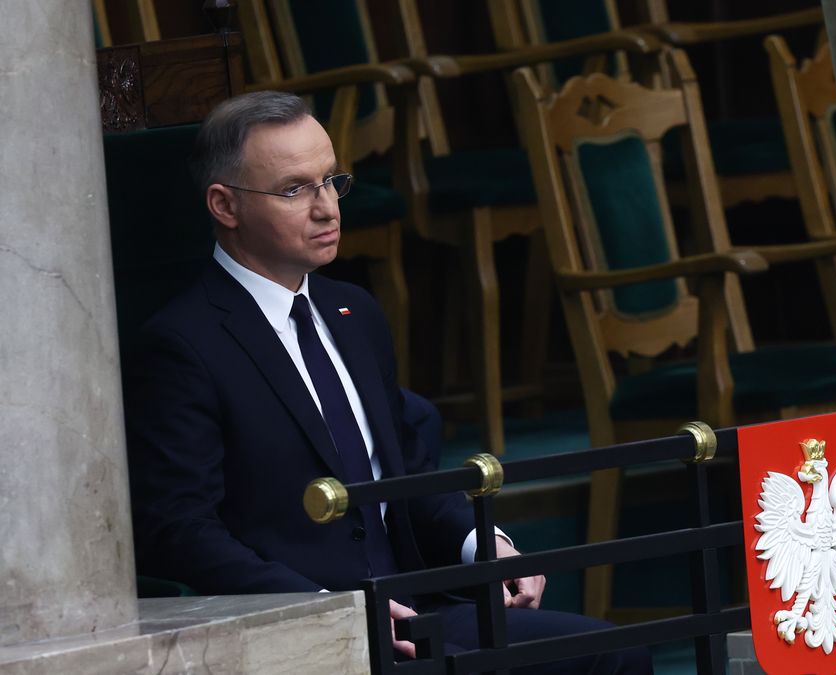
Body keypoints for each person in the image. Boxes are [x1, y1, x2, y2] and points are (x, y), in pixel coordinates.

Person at [124, 90, 651, 673]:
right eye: (296, 189)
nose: (327, 208)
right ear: (225, 206)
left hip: (418, 607)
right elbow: (179, 528)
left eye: (331, 181)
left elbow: (408, 475)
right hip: (303, 629)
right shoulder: (182, 344)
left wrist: (490, 546)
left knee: (613, 651)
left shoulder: (355, 313)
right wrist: (329, 613)